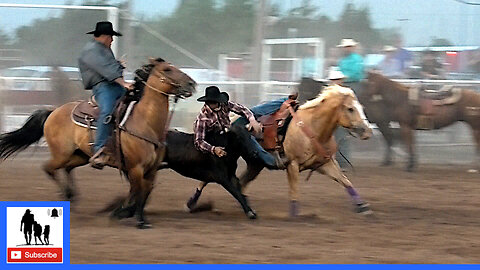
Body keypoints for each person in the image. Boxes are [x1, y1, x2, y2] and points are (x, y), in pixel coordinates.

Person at [78, 21, 133, 169]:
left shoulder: (102, 49)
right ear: (104, 36)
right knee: (107, 111)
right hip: (103, 87)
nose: (112, 40)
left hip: (112, 85)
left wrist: (118, 65)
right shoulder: (91, 50)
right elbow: (106, 70)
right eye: (111, 37)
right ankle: (99, 149)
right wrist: (124, 84)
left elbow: (110, 67)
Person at [194, 86, 287, 169]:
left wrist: (252, 120)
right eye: (211, 102)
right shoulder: (202, 118)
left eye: (215, 101)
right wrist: (213, 149)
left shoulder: (224, 104)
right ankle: (271, 161)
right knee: (242, 133)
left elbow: (242, 109)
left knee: (252, 111)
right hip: (220, 139)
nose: (213, 104)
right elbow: (199, 142)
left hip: (229, 129)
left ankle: (284, 101)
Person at [336, 39, 364, 169]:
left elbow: (356, 73)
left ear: (352, 48)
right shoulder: (342, 61)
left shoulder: (356, 59)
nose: (346, 49)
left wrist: (343, 77)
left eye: (348, 47)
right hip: (343, 84)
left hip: (353, 84)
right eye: (344, 47)